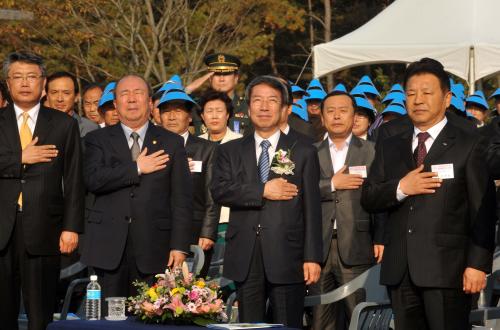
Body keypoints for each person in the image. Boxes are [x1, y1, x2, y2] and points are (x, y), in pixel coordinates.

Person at [361, 58, 496, 329]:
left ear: (447, 98)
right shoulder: (391, 143)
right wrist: (401, 188)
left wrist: (478, 265)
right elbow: (369, 197)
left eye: (426, 92)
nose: (418, 100)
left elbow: (483, 208)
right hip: (401, 271)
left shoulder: (468, 143)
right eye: (411, 93)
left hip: (448, 270)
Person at [211, 75, 322, 328]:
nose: (264, 107)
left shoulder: (303, 150)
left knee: (287, 323)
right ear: (248, 108)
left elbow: (312, 209)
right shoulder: (230, 151)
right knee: (249, 324)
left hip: (288, 254)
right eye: (257, 100)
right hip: (245, 255)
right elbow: (220, 191)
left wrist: (312, 257)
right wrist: (262, 190)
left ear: (284, 109)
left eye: (272, 101)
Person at [81, 75, 192, 302]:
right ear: (115, 104)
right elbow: (93, 179)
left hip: (154, 246)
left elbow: (181, 199)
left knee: (149, 317)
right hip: (108, 246)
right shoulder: (96, 139)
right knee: (108, 321)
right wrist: (137, 168)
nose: (131, 99)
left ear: (150, 103)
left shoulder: (172, 142)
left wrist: (180, 246)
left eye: (138, 93)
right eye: (124, 94)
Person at [0, 51, 84, 330]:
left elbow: (74, 179)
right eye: (17, 77)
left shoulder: (63, 124)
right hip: (2, 227)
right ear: (8, 83)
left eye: (31, 77)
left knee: (41, 314)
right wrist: (20, 159)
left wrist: (71, 227)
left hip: (45, 228)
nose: (25, 83)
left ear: (43, 82)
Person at [312, 91, 384, 330]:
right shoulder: (309, 153)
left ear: (354, 116)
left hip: (357, 242)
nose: (336, 116)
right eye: (330, 111)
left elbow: (380, 197)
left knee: (359, 314)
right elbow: (301, 192)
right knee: (321, 318)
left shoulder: (372, 152)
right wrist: (332, 184)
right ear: (322, 117)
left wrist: (381, 236)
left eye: (343, 110)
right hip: (317, 248)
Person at [158, 88, 219, 276]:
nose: (171, 116)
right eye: (166, 111)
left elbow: (212, 194)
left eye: (177, 111)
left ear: (190, 117)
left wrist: (207, 231)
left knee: (190, 293)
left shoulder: (206, 149)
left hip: (194, 230)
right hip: (157, 230)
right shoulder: (151, 147)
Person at [186, 53, 251, 135]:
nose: (221, 79)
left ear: (236, 78)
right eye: (217, 74)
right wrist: (188, 89)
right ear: (210, 78)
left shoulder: (247, 106)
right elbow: (171, 108)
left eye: (226, 74)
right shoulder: (199, 106)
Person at [46, 71, 99, 137]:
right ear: (47, 96)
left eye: (66, 93)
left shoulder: (90, 129)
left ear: (76, 97)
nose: (60, 99)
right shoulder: (36, 124)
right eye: (54, 92)